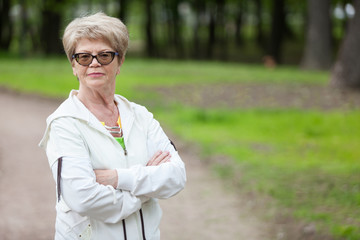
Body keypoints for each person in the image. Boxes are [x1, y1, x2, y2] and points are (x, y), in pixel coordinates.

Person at [39, 12, 186, 240]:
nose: (94, 63)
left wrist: (117, 178)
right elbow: (83, 198)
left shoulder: (140, 116)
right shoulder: (65, 123)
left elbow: (176, 176)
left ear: (120, 61)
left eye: (105, 55)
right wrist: (145, 191)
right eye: (84, 57)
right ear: (73, 65)